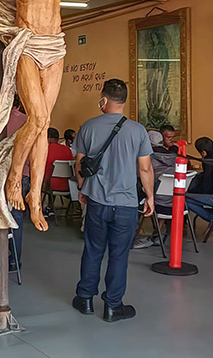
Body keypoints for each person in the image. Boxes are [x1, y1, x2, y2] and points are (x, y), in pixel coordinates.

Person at [70, 79, 155, 322]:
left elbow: (80, 163)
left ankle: (85, 299)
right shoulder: (137, 130)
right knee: (119, 255)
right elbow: (145, 168)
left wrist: (82, 187)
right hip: (126, 205)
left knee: (93, 250)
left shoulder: (88, 126)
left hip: (97, 202)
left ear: (104, 99)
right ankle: (112, 306)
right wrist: (149, 197)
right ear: (124, 101)